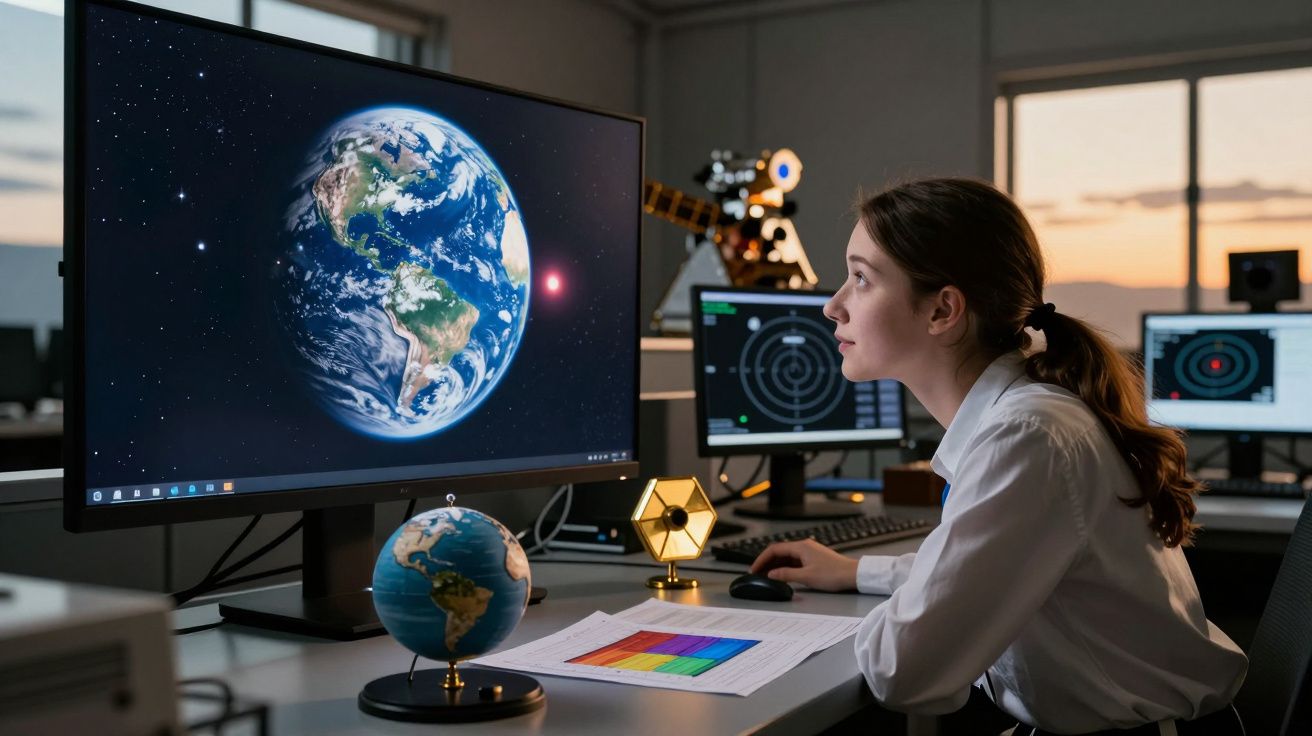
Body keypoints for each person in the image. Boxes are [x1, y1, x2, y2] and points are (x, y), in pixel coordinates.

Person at [749, 178, 1248, 735]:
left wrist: (823, 630)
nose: (832, 305)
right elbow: (977, 566)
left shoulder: (1027, 435)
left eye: (861, 279)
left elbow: (903, 673)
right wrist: (859, 572)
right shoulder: (1028, 417)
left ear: (943, 311)